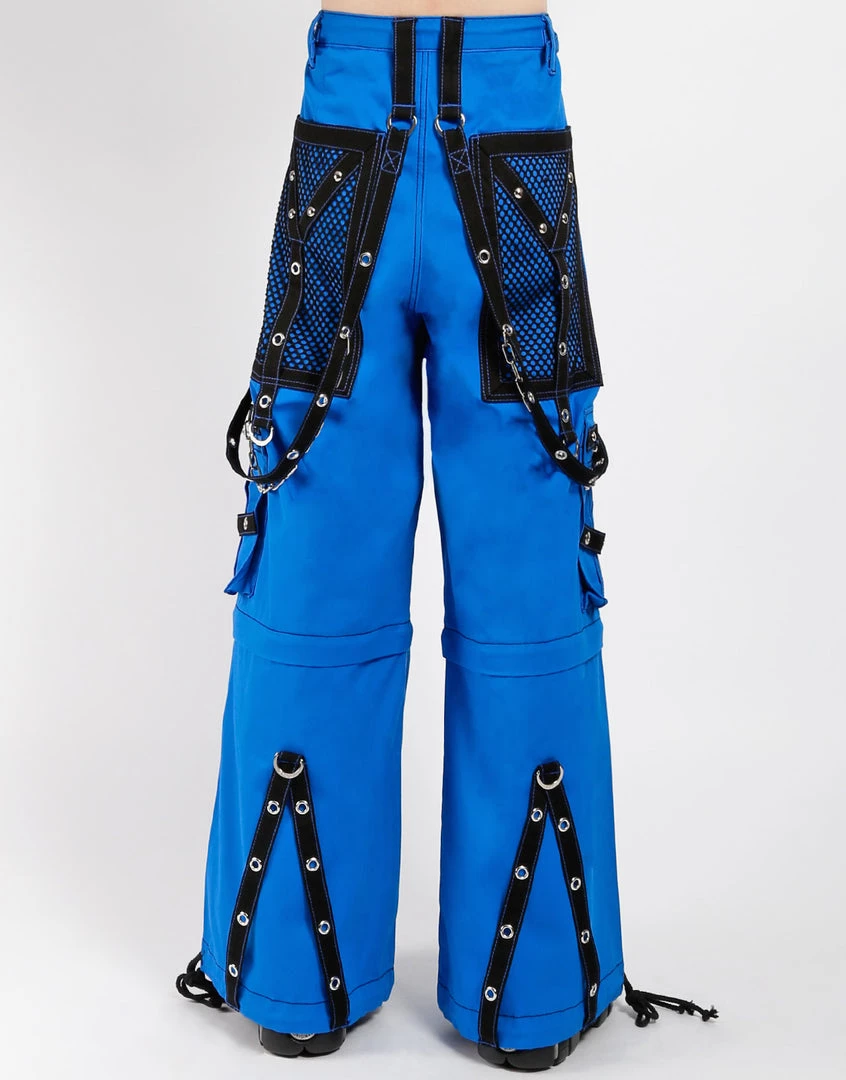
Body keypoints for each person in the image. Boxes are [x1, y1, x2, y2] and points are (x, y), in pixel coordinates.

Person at [175, 2, 717, 1069]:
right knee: (316, 568)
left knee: (526, 580)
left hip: (497, 121)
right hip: (361, 115)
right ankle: (311, 977)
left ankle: (518, 992)